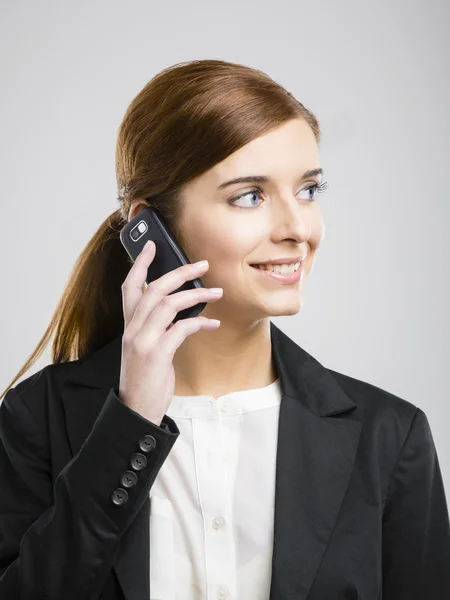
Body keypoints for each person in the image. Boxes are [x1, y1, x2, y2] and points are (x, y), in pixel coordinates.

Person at [0, 59, 449, 600]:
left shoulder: (389, 437)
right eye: (250, 196)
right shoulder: (37, 419)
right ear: (151, 229)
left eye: (308, 190)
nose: (297, 228)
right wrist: (130, 425)